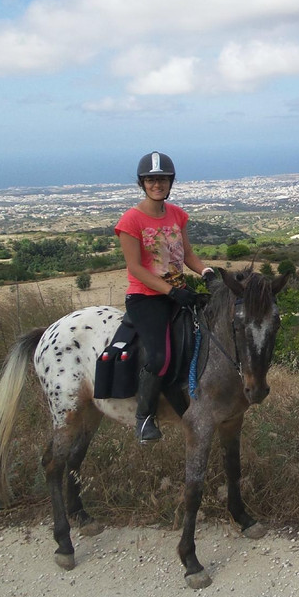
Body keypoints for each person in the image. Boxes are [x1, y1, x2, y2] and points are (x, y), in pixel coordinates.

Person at [115, 151, 213, 443]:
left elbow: (187, 255)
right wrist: (172, 291)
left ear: (170, 182)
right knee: (159, 356)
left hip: (178, 292)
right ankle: (144, 417)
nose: (157, 184)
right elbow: (134, 267)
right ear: (142, 183)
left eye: (162, 179)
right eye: (151, 179)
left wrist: (206, 271)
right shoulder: (131, 220)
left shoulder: (177, 215)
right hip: (146, 297)